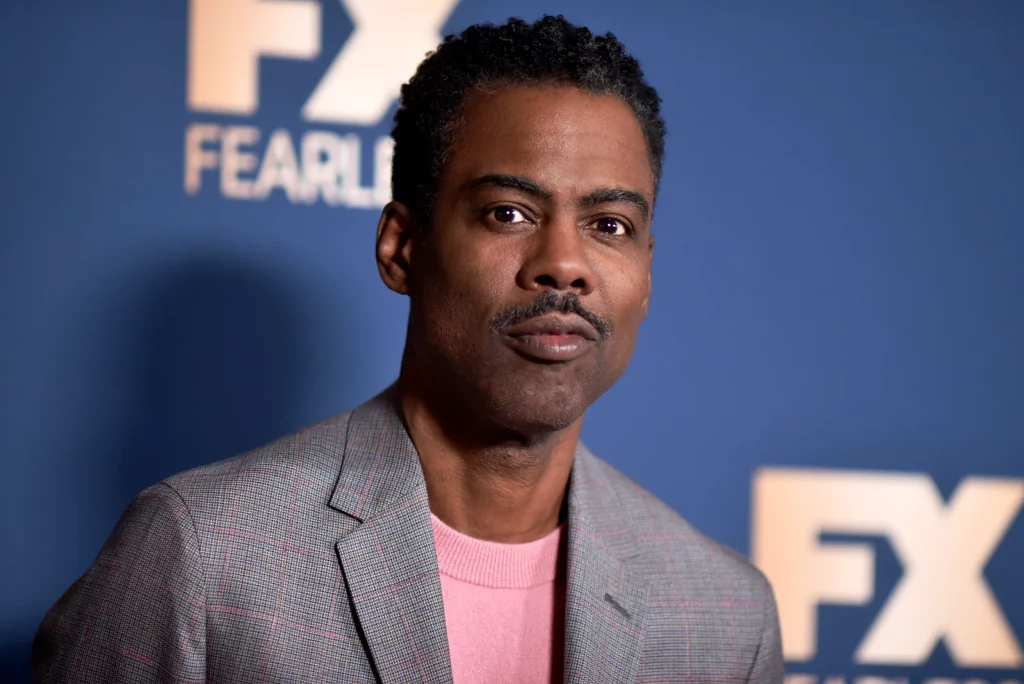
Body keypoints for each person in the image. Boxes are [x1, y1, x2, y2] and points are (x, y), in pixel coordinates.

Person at [32, 15, 783, 683]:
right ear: (401, 248)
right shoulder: (201, 554)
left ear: (647, 274)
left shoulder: (725, 616)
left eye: (609, 226)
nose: (564, 264)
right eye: (509, 213)